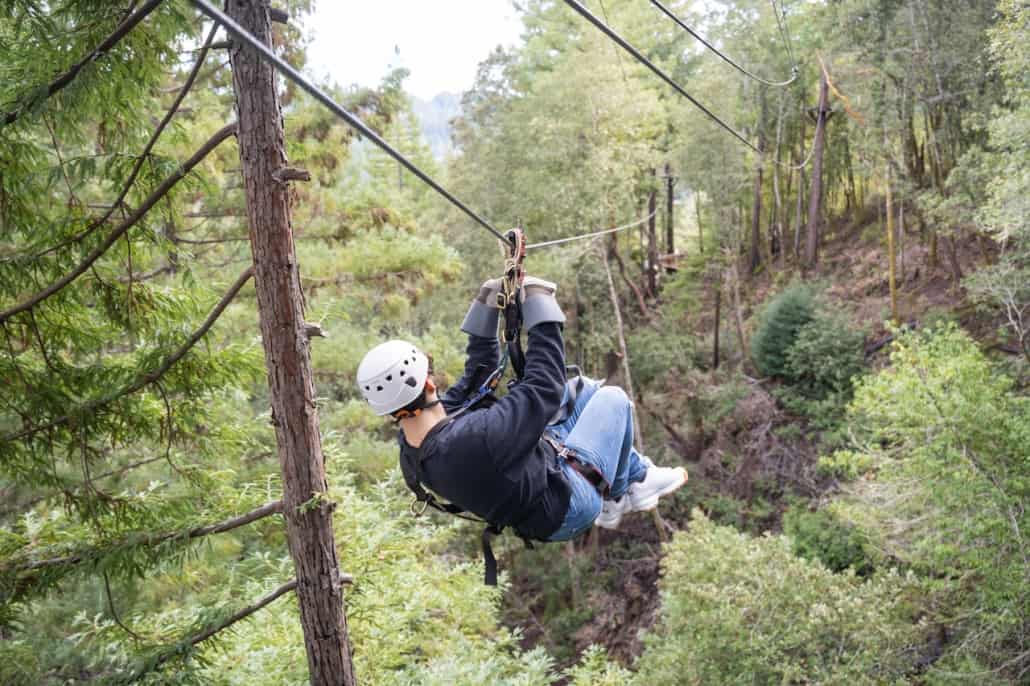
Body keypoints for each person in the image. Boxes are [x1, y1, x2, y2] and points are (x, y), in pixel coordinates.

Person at [356, 276, 687, 578]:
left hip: (541, 477)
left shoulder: (414, 444)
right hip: (568, 504)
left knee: (582, 391)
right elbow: (542, 386)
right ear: (428, 382)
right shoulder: (474, 440)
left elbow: (478, 378)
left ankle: (637, 475)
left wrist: (486, 302)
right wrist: (541, 307)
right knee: (613, 400)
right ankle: (618, 494)